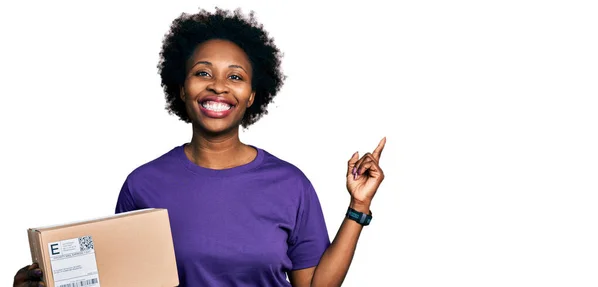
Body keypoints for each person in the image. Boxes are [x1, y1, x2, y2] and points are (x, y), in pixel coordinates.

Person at [14, 7, 386, 287]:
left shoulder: (290, 184)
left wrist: (359, 206)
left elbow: (316, 285)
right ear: (182, 87)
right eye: (203, 73)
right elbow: (123, 280)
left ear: (253, 94)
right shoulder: (143, 184)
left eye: (235, 77)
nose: (219, 86)